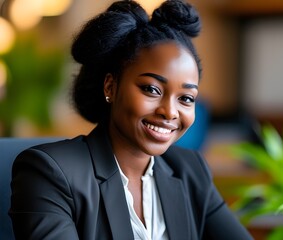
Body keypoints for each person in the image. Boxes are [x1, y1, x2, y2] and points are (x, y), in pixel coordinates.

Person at [9, 1, 253, 239]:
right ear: (111, 86)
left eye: (186, 98)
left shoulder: (190, 171)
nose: (170, 112)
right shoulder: (50, 173)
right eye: (151, 89)